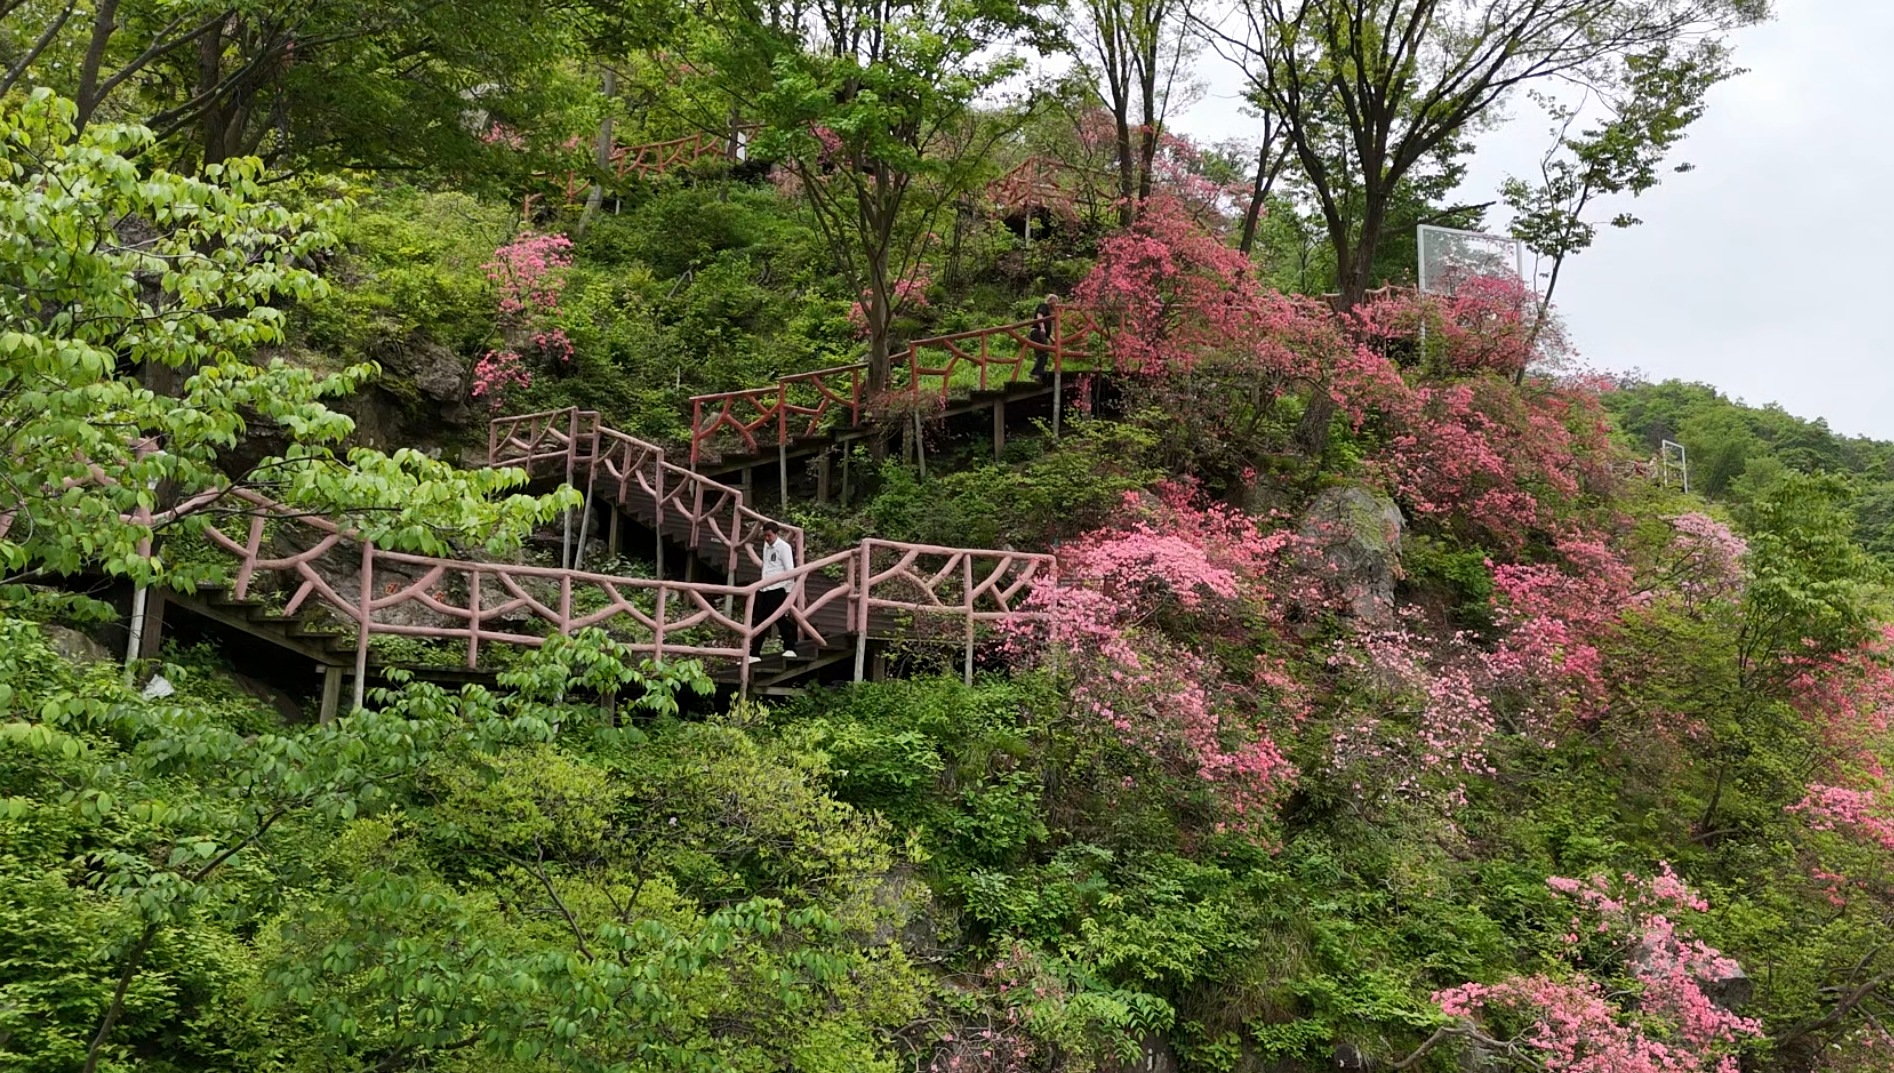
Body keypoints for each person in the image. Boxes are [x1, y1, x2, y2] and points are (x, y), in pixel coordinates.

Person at [750, 523, 800, 662]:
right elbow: (767, 566)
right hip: (765, 588)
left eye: (769, 535)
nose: (767, 538)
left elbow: (790, 570)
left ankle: (790, 647)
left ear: (776, 533)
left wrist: (789, 591)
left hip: (778, 589)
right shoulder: (766, 546)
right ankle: (754, 653)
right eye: (765, 535)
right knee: (760, 620)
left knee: (779, 618)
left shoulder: (784, 547)